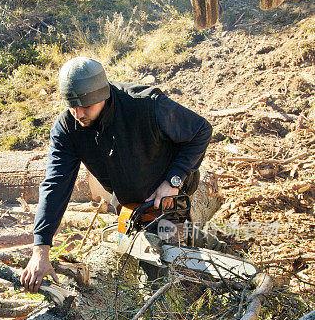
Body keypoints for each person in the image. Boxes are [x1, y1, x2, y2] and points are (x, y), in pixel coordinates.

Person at [20, 57, 212, 293]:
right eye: (72, 106)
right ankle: (204, 242)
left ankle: (200, 272)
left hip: (168, 193)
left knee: (172, 279)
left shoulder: (146, 105)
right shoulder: (67, 128)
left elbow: (201, 130)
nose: (78, 114)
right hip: (128, 200)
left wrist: (173, 180)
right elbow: (55, 184)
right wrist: (41, 249)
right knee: (144, 262)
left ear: (103, 95)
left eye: (85, 107)